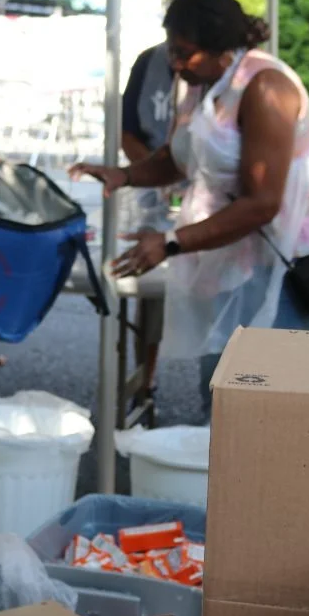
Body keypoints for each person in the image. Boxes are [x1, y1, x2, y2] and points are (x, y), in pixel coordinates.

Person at [71, 0, 309, 423]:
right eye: (173, 50)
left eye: (185, 53)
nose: (174, 63)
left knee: (264, 404)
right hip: (233, 258)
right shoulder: (207, 83)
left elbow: (262, 203)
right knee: (220, 389)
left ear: (220, 48)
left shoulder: (266, 88)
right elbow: (181, 156)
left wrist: (170, 242)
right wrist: (126, 175)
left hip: (283, 265)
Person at [120, 42, 178, 413]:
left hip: (213, 205)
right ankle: (145, 384)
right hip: (156, 203)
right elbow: (127, 132)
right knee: (151, 293)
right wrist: (158, 173)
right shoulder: (149, 63)